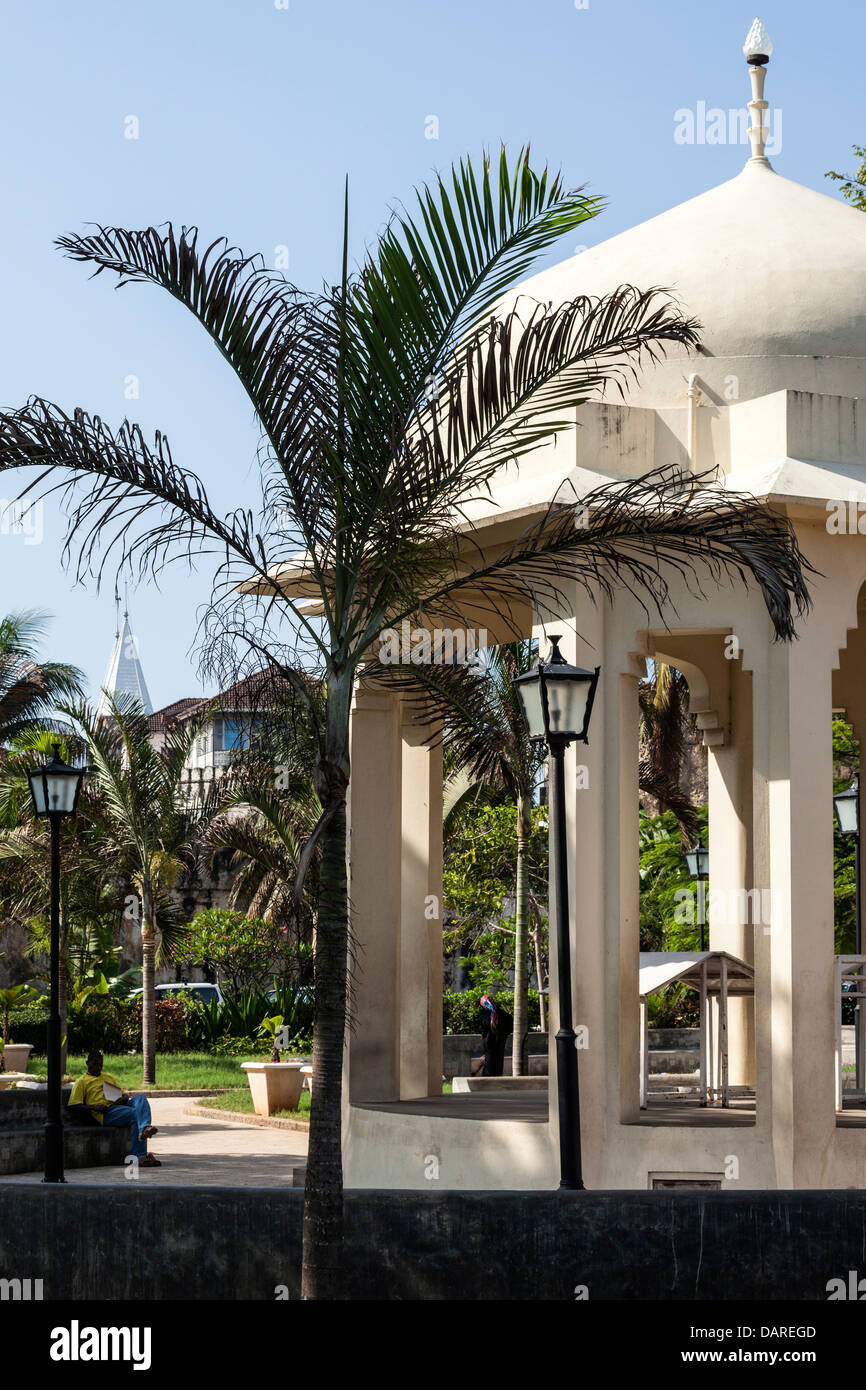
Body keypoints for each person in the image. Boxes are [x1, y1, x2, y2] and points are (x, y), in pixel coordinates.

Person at [67, 1050, 161, 1167]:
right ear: (87, 1063)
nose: (98, 1067)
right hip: (105, 1112)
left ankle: (145, 1128)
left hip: (119, 1105)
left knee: (141, 1098)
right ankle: (139, 1156)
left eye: (101, 1065)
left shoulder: (108, 1077)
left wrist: (123, 1097)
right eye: (95, 1064)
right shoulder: (81, 1082)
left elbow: (123, 1094)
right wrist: (94, 1107)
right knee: (134, 1114)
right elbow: (73, 1105)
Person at [479, 994, 512, 1077]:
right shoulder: (502, 1012)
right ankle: (496, 1077)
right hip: (498, 1040)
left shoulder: (486, 1012)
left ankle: (489, 1078)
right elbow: (510, 1023)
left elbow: (484, 1025)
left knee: (490, 1060)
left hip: (491, 1041)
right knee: (498, 1059)